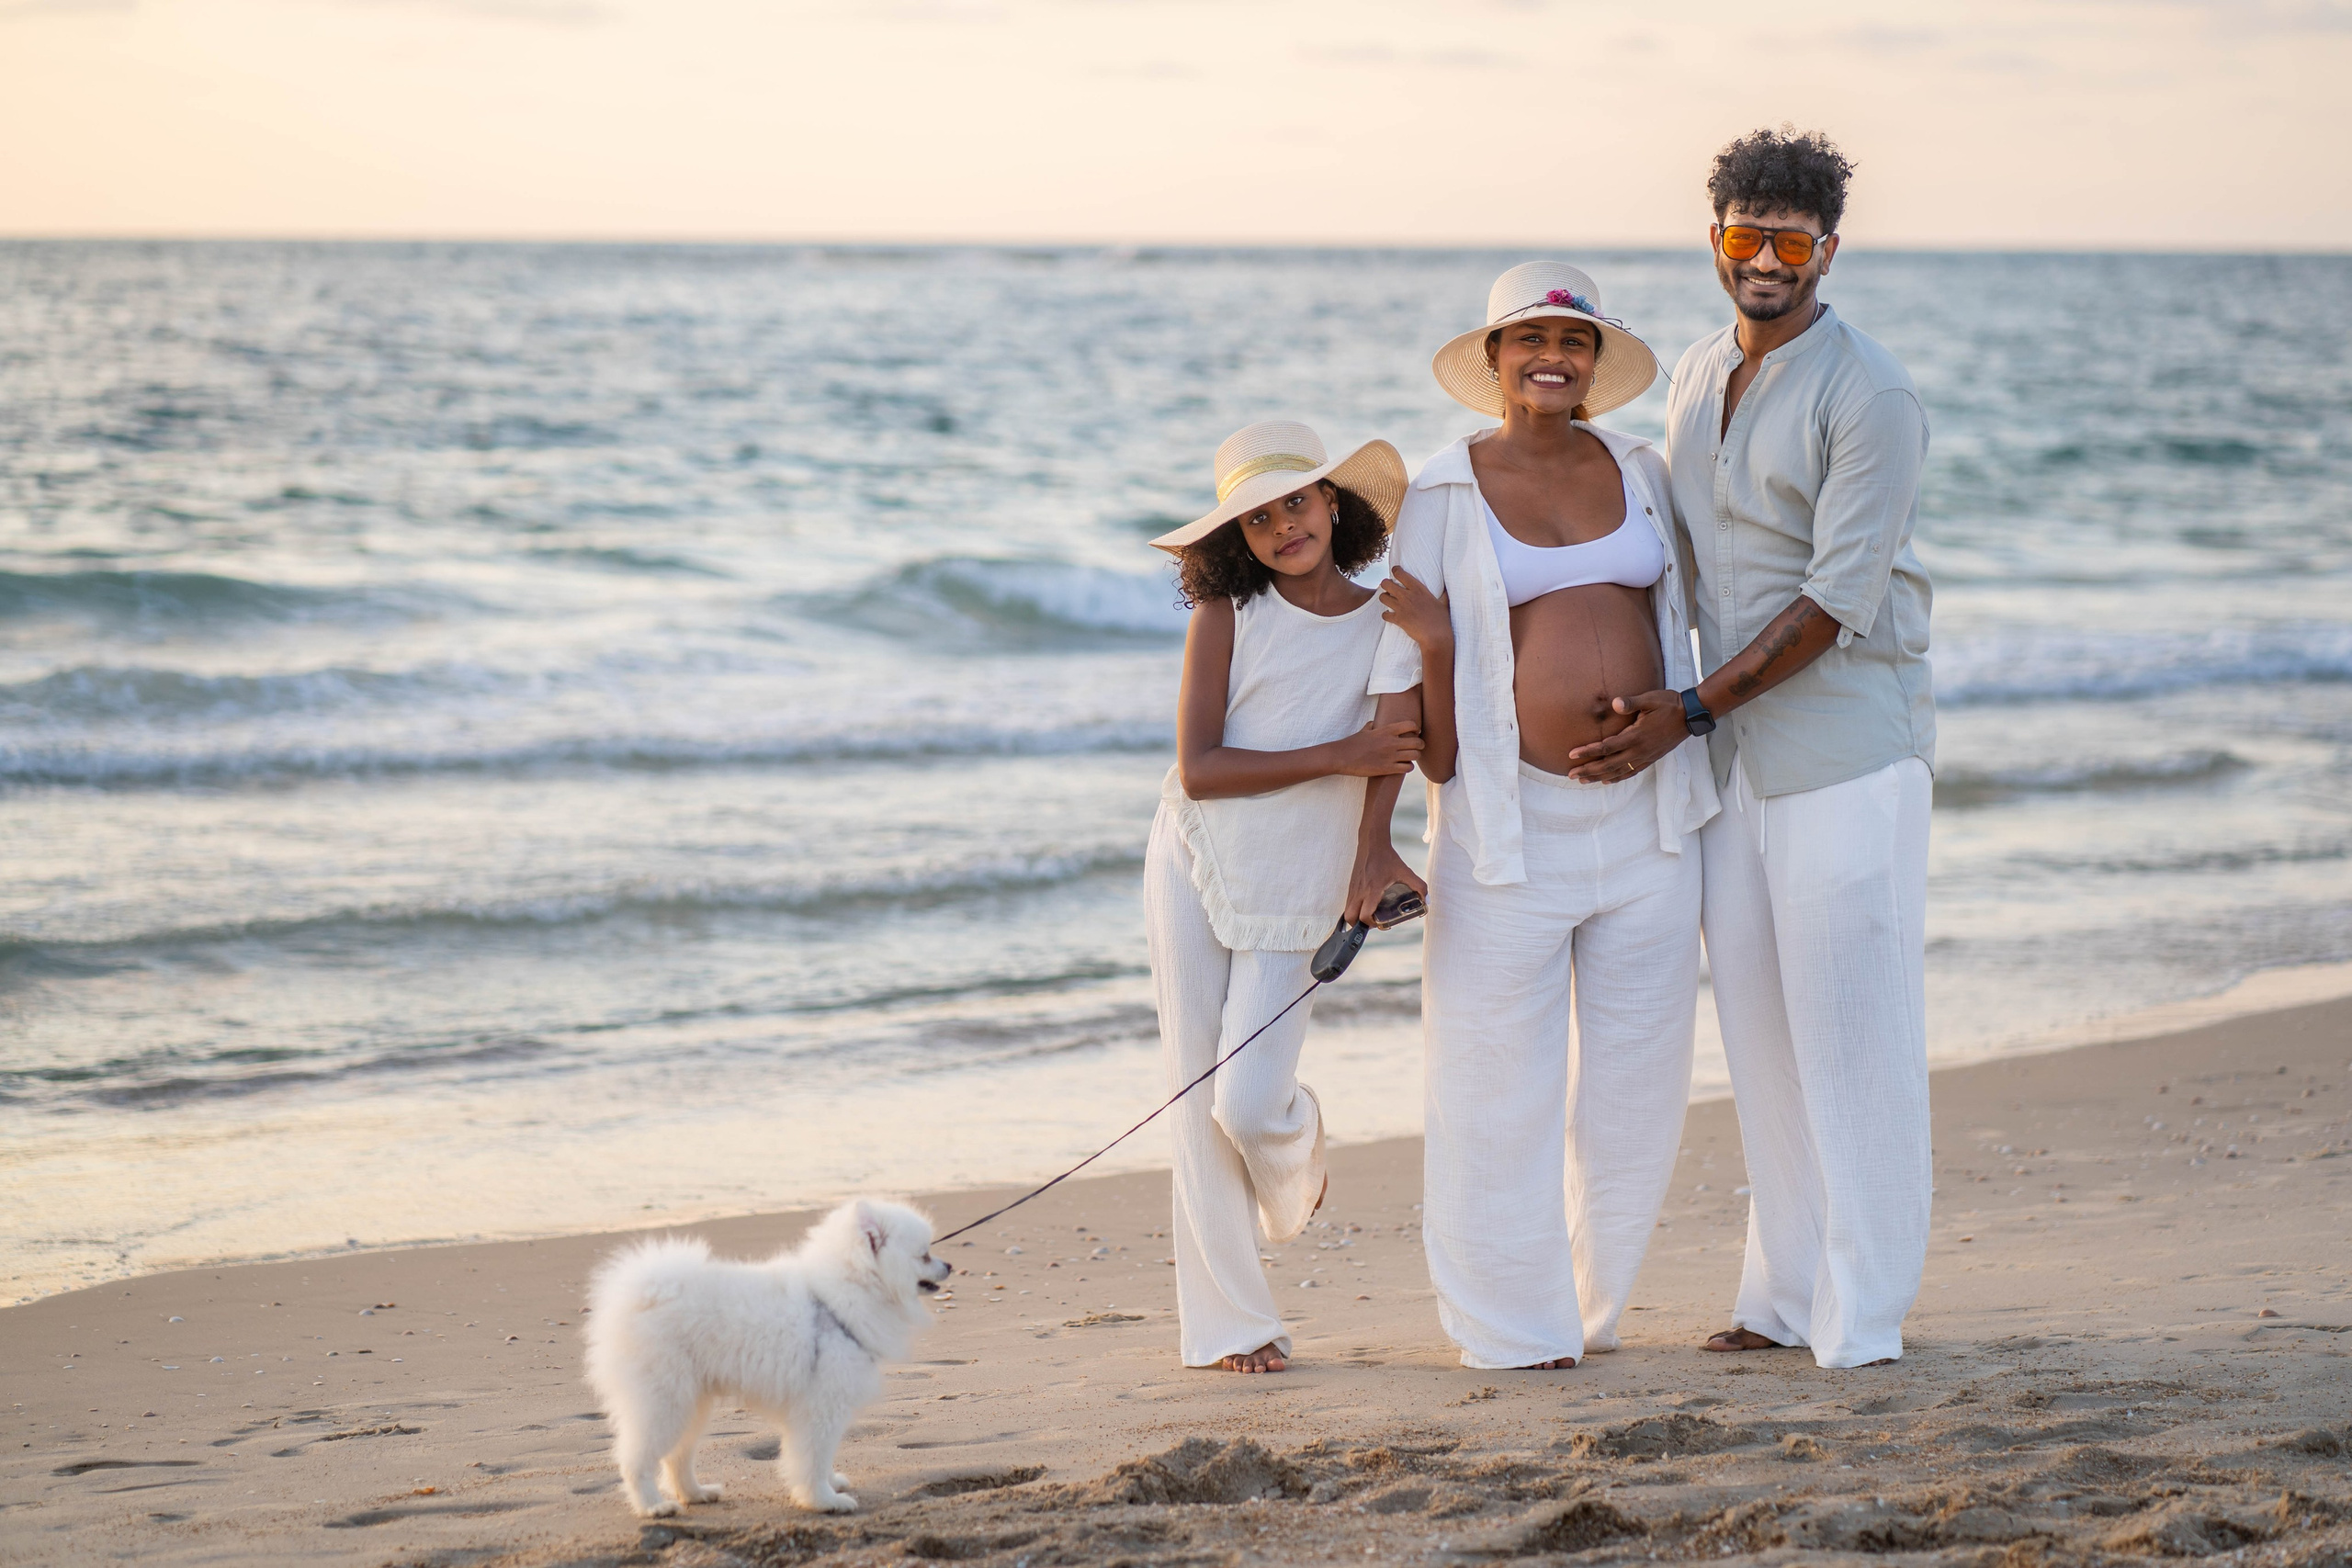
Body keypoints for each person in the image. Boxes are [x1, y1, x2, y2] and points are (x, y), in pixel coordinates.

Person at [1563, 128, 1936, 1370]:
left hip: (1844, 751)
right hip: (1727, 762)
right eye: (1744, 235)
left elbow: (1835, 601)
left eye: (1790, 241)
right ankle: (1782, 1298)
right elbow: (1663, 553)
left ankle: (1863, 1316)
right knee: (1766, 1043)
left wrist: (1686, 710)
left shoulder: (1869, 392)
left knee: (1855, 1035)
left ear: (1828, 250)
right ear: (1713, 238)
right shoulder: (1689, 373)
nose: (1764, 260)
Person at [1356, 262, 1719, 1371]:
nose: (1550, 358)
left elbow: (1694, 608)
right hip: (1506, 836)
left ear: (1594, 361)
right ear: (1494, 358)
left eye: (1570, 341)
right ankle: (1508, 1328)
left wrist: (1686, 720)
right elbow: (1395, 683)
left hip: (1651, 825)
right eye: (1527, 340)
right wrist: (1372, 845)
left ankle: (1590, 1311)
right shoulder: (1440, 493)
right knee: (1489, 1086)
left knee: (1635, 1088)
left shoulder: (1643, 469)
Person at [1143, 419, 1432, 1374]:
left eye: (1295, 503)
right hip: (1195, 856)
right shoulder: (1227, 615)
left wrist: (1372, 852)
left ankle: (1295, 1144)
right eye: (1258, 518)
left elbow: (1397, 750)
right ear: (1238, 537)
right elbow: (1201, 768)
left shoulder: (1388, 617)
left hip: (1304, 875)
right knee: (1194, 1094)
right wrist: (1338, 753)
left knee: (1248, 1101)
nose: (1282, 528)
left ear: (1332, 503)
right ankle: (1230, 1325)